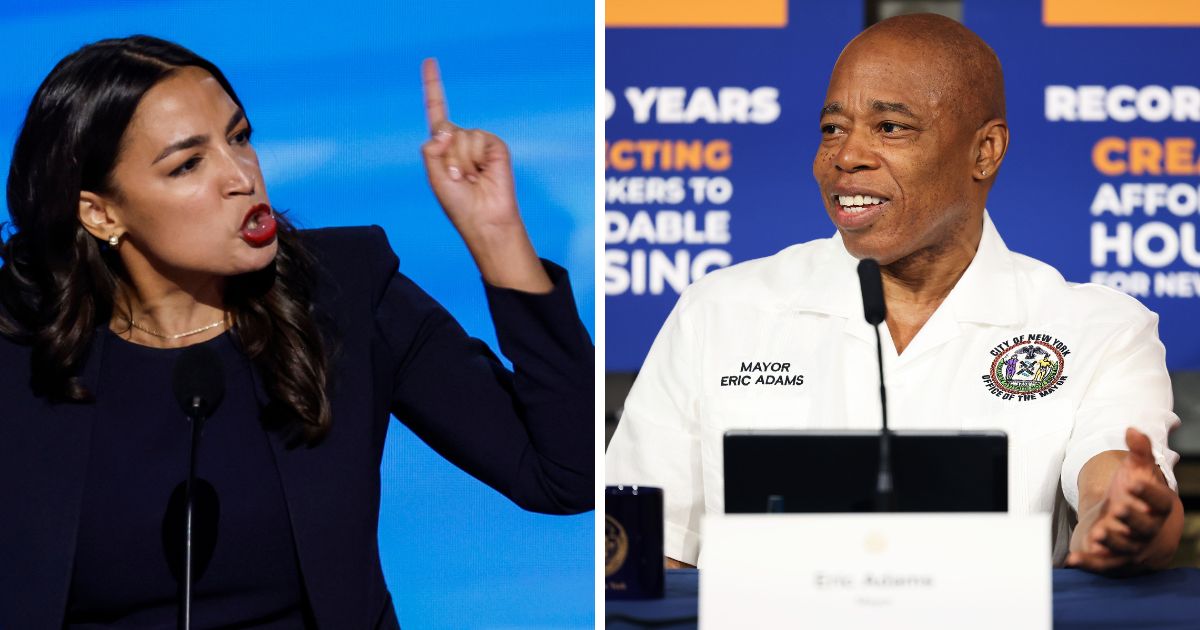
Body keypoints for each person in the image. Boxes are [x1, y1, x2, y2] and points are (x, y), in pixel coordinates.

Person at [0, 36, 592, 628]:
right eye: (188, 164)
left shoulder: (344, 295)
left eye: (239, 137)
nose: (241, 176)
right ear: (101, 214)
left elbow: (568, 473)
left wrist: (498, 237)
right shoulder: (19, 349)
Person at [605, 13, 1183, 575]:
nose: (846, 156)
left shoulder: (1099, 328)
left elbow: (1113, 482)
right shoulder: (720, 311)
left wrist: (1125, 520)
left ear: (985, 151)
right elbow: (641, 548)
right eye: (833, 128)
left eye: (890, 127)